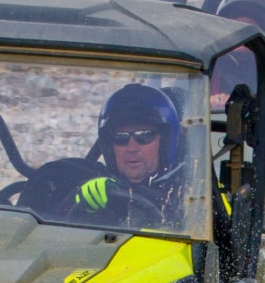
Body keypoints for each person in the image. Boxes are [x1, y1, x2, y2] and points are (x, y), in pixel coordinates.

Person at [60, 83, 187, 229]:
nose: (132, 148)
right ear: (109, 146)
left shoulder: (194, 190)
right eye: (121, 138)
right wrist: (76, 200)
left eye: (144, 136)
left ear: (164, 141)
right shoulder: (96, 186)